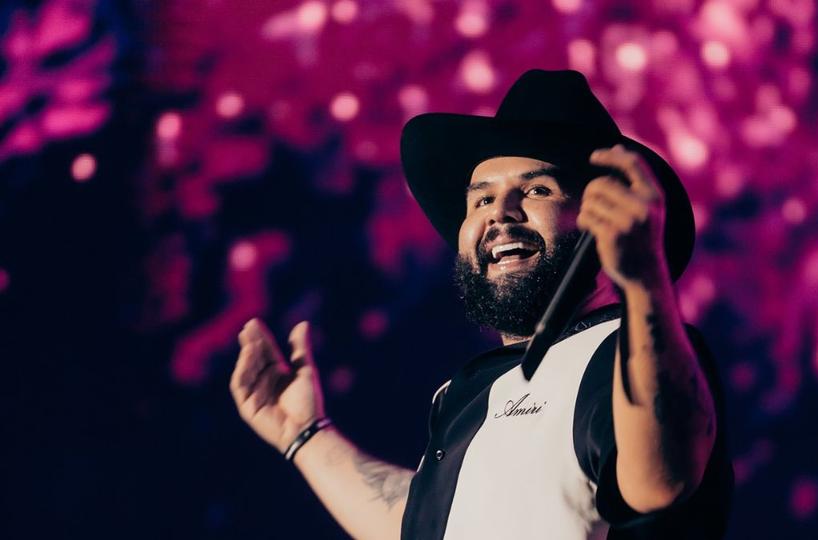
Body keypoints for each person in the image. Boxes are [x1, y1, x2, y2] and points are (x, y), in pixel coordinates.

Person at [230, 69, 733, 540]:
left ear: (606, 218)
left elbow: (658, 482)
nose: (500, 214)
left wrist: (645, 284)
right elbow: (430, 522)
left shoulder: (631, 354)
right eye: (481, 200)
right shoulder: (465, 395)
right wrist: (304, 434)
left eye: (537, 189)